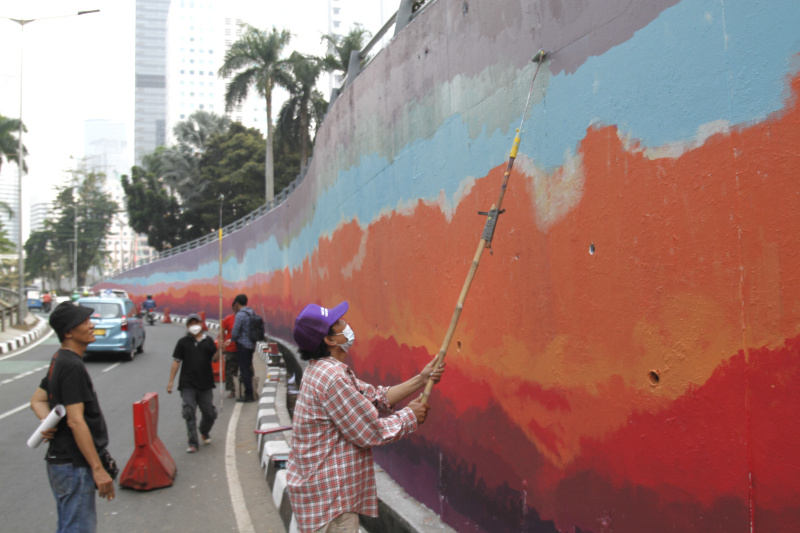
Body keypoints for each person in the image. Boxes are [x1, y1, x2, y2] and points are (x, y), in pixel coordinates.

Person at [287, 301, 445, 533]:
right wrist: (410, 416)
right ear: (330, 340)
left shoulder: (323, 369)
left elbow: (376, 397)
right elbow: (369, 432)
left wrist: (422, 379)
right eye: (338, 322)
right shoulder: (332, 377)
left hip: (323, 497)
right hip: (330, 504)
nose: (345, 324)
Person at [30, 301, 115, 533]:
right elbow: (76, 421)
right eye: (84, 322)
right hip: (73, 465)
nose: (91, 325)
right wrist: (97, 469)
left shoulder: (60, 359)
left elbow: (37, 400)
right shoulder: (72, 366)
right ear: (68, 332)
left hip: (62, 464)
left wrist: (46, 422)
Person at [167, 313, 219, 452]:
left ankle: (204, 430)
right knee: (189, 411)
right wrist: (171, 381)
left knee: (209, 413)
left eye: (196, 323)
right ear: (187, 326)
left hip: (205, 383)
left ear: (201, 325)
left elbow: (214, 359)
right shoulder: (183, 342)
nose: (194, 326)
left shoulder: (208, 341)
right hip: (187, 383)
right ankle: (193, 443)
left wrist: (220, 349)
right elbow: (176, 361)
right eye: (191, 323)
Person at [229, 294, 256, 403]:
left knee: (244, 369)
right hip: (251, 345)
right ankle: (251, 391)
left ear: (236, 304)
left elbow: (235, 331)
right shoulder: (251, 312)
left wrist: (232, 339)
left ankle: (248, 394)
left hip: (243, 345)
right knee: (248, 367)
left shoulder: (240, 314)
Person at [221, 308, 239, 399]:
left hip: (241, 349)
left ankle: (243, 389)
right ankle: (232, 390)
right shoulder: (228, 319)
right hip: (230, 349)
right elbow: (222, 330)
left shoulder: (243, 319)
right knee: (230, 371)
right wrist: (223, 344)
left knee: (243, 371)